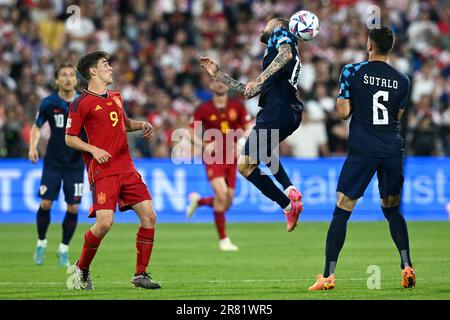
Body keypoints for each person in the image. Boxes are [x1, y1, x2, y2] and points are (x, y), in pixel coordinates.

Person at [308, 26, 415, 291]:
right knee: (392, 210)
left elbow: (343, 112)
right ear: (389, 48)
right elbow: (396, 116)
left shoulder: (352, 71)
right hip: (391, 149)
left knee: (342, 210)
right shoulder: (402, 79)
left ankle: (327, 276)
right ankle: (407, 266)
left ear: (369, 45)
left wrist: (348, 98)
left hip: (363, 149)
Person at [64, 51, 160, 290]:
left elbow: (122, 122)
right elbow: (70, 138)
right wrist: (93, 149)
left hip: (127, 167)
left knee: (149, 216)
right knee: (105, 223)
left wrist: (141, 125)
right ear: (92, 71)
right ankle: (81, 269)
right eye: (105, 64)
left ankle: (140, 274)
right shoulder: (81, 103)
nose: (111, 68)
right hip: (103, 170)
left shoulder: (116, 96)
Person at [200, 18, 304, 232]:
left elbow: (286, 55)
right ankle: (288, 196)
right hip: (289, 114)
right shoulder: (274, 59)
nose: (262, 28)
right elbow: (247, 91)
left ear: (277, 26)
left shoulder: (281, 34)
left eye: (267, 23)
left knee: (247, 163)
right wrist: (218, 74)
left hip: (277, 111)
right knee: (252, 159)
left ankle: (288, 198)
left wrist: (260, 78)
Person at [28, 63, 84, 267]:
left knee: (74, 207)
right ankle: (41, 243)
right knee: (46, 203)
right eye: (64, 75)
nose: (68, 78)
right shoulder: (49, 103)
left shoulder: (83, 102)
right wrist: (32, 147)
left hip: (76, 163)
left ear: (76, 80)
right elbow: (36, 127)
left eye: (71, 75)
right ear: (57, 80)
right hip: (53, 162)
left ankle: (64, 249)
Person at [186, 80, 249, 251]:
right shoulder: (203, 109)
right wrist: (204, 145)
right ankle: (224, 240)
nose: (220, 84)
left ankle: (199, 200)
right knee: (221, 195)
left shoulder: (238, 106)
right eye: (215, 81)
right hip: (213, 156)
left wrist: (241, 142)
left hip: (232, 156)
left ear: (228, 85)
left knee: (227, 202)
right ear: (211, 86)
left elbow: (248, 126)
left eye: (223, 81)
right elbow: (191, 130)